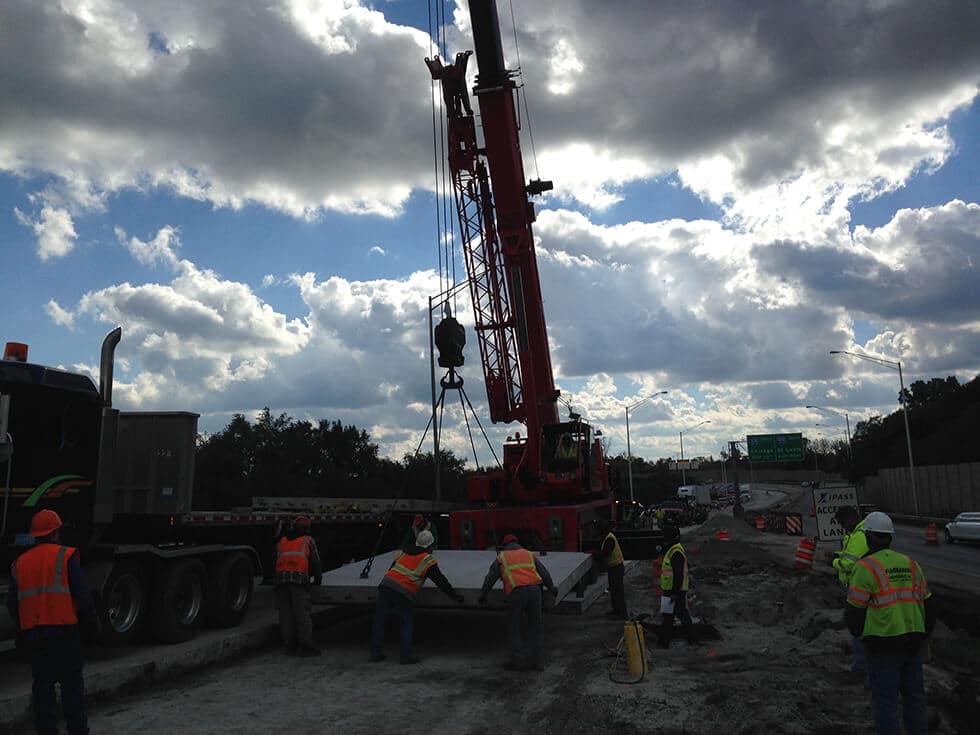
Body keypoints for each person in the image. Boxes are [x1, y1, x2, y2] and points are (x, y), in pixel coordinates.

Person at [6, 509, 101, 735]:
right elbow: (82, 595)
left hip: (35, 635)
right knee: (72, 689)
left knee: (43, 688)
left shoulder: (20, 563)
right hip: (65, 632)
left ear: (35, 535)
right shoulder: (65, 556)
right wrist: (92, 624)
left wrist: (25, 625)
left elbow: (12, 603)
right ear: (56, 533)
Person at [845, 511, 934, 734]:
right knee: (915, 699)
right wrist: (923, 636)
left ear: (869, 537)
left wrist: (863, 637)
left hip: (883, 646)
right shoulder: (911, 564)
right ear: (890, 538)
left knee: (885, 703)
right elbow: (929, 606)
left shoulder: (866, 568)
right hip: (913, 643)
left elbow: (854, 613)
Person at [371, 530, 464, 664]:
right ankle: (405, 657)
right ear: (430, 546)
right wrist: (455, 596)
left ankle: (376, 654)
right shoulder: (427, 560)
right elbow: (440, 581)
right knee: (406, 623)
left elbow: (392, 570)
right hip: (404, 591)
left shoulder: (402, 553)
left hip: (386, 585)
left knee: (379, 621)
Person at [478, 534, 555, 671]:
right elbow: (544, 573)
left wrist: (483, 596)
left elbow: (490, 578)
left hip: (516, 593)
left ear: (504, 545)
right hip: (535, 591)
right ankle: (536, 662)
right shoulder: (529, 554)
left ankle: (517, 661)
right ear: (517, 542)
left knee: (514, 627)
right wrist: (551, 588)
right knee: (535, 627)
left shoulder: (502, 558)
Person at [274, 515, 323, 657]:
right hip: (298, 582)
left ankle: (289, 646)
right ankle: (306, 646)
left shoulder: (282, 541)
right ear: (307, 528)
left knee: (286, 616)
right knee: (302, 615)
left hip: (281, 582)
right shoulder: (308, 540)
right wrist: (318, 580)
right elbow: (316, 562)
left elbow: (277, 560)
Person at [833, 505, 869, 673]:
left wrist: (833, 562)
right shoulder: (855, 534)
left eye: (842, 523)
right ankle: (862, 663)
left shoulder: (859, 536)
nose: (842, 526)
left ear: (852, 518)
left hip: (860, 589)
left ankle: (861, 666)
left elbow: (850, 563)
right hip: (858, 587)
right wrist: (837, 555)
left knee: (857, 626)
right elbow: (850, 555)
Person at [658, 522, 694, 648]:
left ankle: (690, 638)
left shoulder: (676, 552)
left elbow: (678, 575)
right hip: (670, 590)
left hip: (674, 591)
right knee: (668, 616)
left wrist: (675, 593)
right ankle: (664, 641)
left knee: (678, 615)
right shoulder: (673, 549)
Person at [593, 520, 627, 619]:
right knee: (614, 590)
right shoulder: (607, 537)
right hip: (614, 568)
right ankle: (616, 611)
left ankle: (621, 614)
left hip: (616, 568)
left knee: (618, 591)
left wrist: (594, 553)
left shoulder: (609, 539)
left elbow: (605, 553)